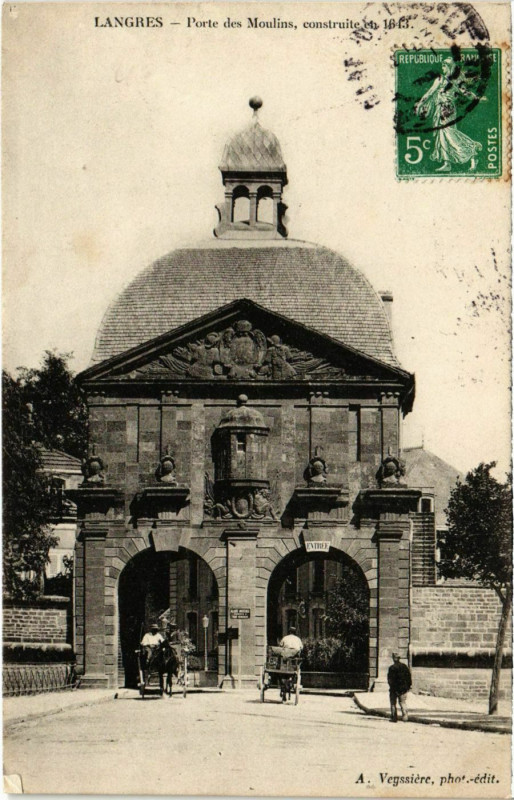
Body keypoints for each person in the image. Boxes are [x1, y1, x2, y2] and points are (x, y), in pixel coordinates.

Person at [414, 57, 485, 173]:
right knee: (444, 134)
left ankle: (471, 149)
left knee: (448, 133)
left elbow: (431, 93)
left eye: (445, 66)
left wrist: (420, 105)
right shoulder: (453, 80)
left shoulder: (444, 79)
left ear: (450, 67)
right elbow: (465, 93)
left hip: (446, 109)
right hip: (444, 108)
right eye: (442, 66)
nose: (443, 68)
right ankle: (448, 163)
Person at [388, 652, 412, 722]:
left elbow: (390, 680)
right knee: (402, 702)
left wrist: (392, 687)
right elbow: (409, 677)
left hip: (394, 689)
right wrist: (408, 687)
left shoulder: (392, 668)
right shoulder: (404, 667)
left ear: (393, 659)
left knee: (393, 703)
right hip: (403, 689)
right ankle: (405, 717)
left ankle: (394, 717)